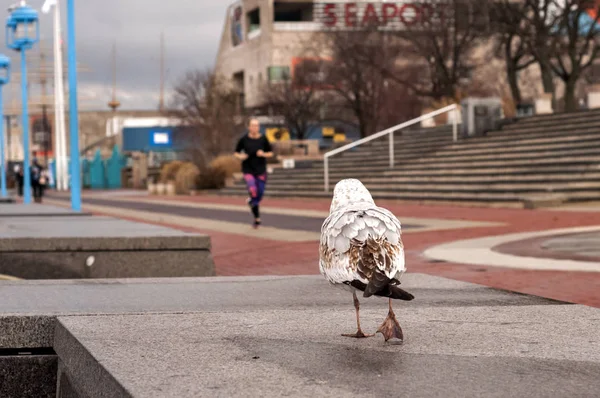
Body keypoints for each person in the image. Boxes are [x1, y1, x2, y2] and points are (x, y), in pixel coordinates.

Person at [234, 118, 274, 228]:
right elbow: (236, 153)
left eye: (257, 126)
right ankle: (256, 214)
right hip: (248, 170)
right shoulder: (244, 139)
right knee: (253, 190)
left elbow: (271, 153)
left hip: (260, 170)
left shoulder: (263, 139)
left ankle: (256, 216)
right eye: (253, 125)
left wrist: (263, 154)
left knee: (259, 194)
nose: (255, 128)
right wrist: (241, 156)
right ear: (249, 127)